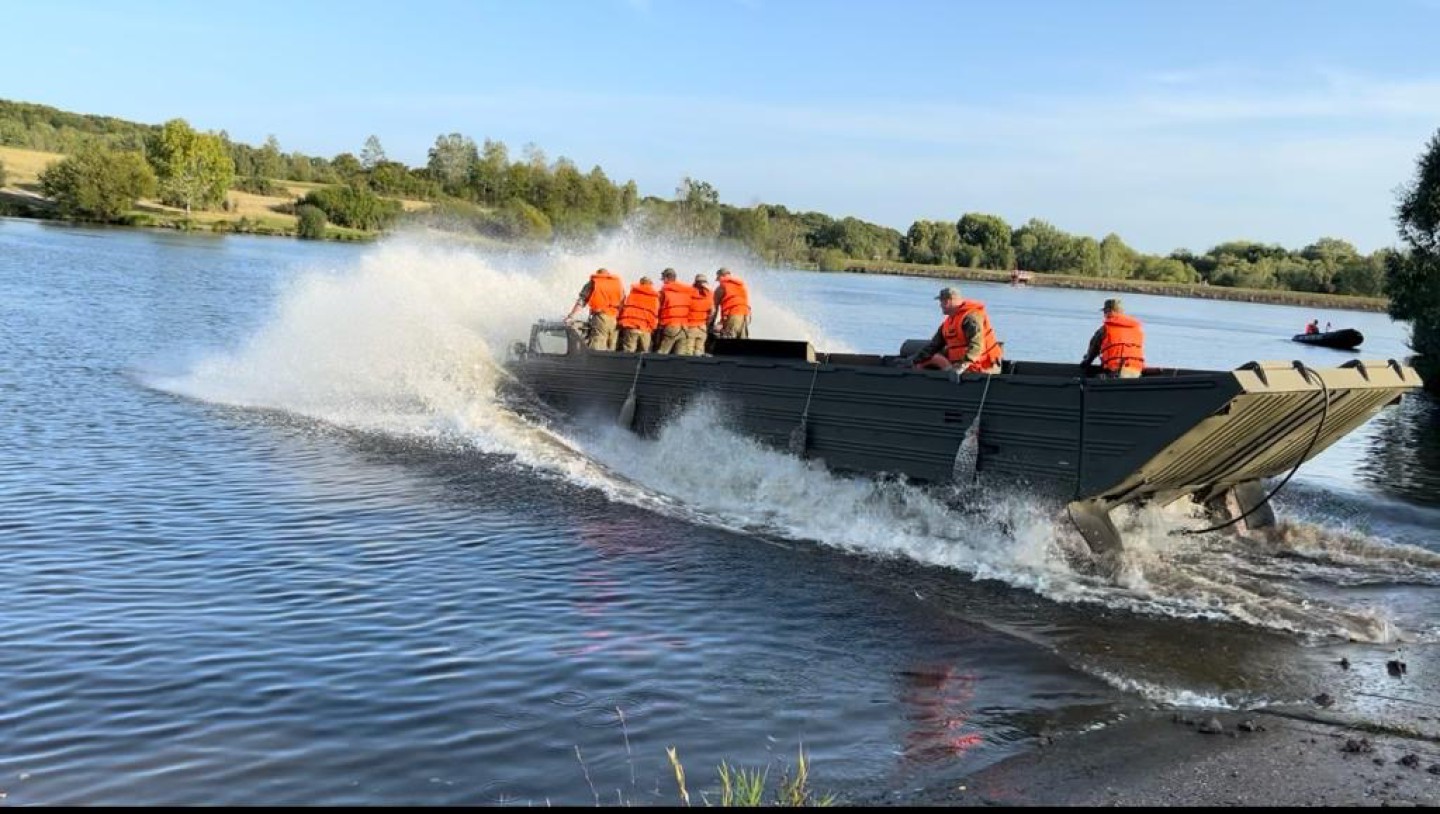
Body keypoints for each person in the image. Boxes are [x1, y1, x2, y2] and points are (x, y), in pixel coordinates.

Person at [911, 286, 1003, 374]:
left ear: (948, 301)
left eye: (941, 302)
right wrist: (914, 360)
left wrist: (963, 365)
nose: (940, 305)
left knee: (937, 359)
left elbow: (976, 345)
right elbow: (933, 346)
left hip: (985, 366)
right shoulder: (948, 322)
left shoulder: (971, 317)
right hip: (965, 366)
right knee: (933, 357)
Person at [1080, 298, 1145, 378]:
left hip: (1115, 372)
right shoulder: (1136, 328)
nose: (1104, 315)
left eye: (1105, 312)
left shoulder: (1105, 329)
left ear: (1110, 311)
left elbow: (1093, 349)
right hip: (1137, 371)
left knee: (1095, 377)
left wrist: (1086, 362)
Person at [565, 267, 624, 351]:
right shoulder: (617, 284)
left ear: (598, 274)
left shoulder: (594, 282)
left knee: (598, 342)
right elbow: (622, 301)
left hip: (601, 317)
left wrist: (571, 316)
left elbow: (582, 301)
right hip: (614, 318)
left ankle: (595, 362)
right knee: (612, 345)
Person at [616, 275, 660, 353]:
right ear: (650, 284)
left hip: (631, 327)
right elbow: (655, 315)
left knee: (628, 352)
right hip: (645, 329)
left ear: (640, 283)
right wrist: (653, 328)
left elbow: (624, 308)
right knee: (645, 354)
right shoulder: (654, 298)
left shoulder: (632, 294)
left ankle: (628, 365)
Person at [655, 268, 693, 355]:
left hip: (671, 326)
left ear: (666, 278)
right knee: (680, 356)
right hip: (685, 327)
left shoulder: (664, 293)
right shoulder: (686, 292)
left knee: (662, 354)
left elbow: (657, 308)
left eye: (663, 279)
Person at [711, 267, 751, 339]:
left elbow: (714, 309)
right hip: (745, 315)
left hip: (733, 315)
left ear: (721, 276)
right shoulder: (741, 285)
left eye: (718, 279)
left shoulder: (721, 287)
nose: (719, 281)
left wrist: (710, 325)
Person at [685, 272, 715, 355]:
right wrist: (707, 324)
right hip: (702, 327)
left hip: (690, 326)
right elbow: (712, 313)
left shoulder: (688, 294)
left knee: (688, 352)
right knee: (699, 352)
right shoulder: (709, 296)